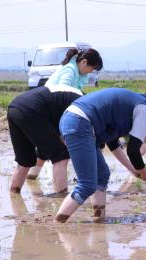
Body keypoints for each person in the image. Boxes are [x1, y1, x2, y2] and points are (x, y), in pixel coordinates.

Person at [55, 88, 146, 223]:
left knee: (102, 175)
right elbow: (133, 150)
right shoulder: (145, 109)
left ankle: (99, 219)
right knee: (87, 184)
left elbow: (112, 144)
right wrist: (143, 171)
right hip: (81, 122)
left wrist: (133, 170)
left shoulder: (131, 106)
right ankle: (58, 225)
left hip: (73, 119)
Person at [28, 48, 103, 180]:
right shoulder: (69, 71)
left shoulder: (77, 72)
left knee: (46, 146)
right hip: (51, 110)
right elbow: (63, 93)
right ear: (84, 62)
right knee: (61, 151)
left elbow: (75, 94)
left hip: (55, 110)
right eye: (92, 68)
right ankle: (61, 192)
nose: (91, 72)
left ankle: (32, 175)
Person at [7, 85, 84, 194]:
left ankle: (14, 195)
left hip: (15, 107)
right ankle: (61, 198)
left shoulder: (74, 96)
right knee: (61, 155)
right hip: (32, 109)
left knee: (24, 160)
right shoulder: (85, 104)